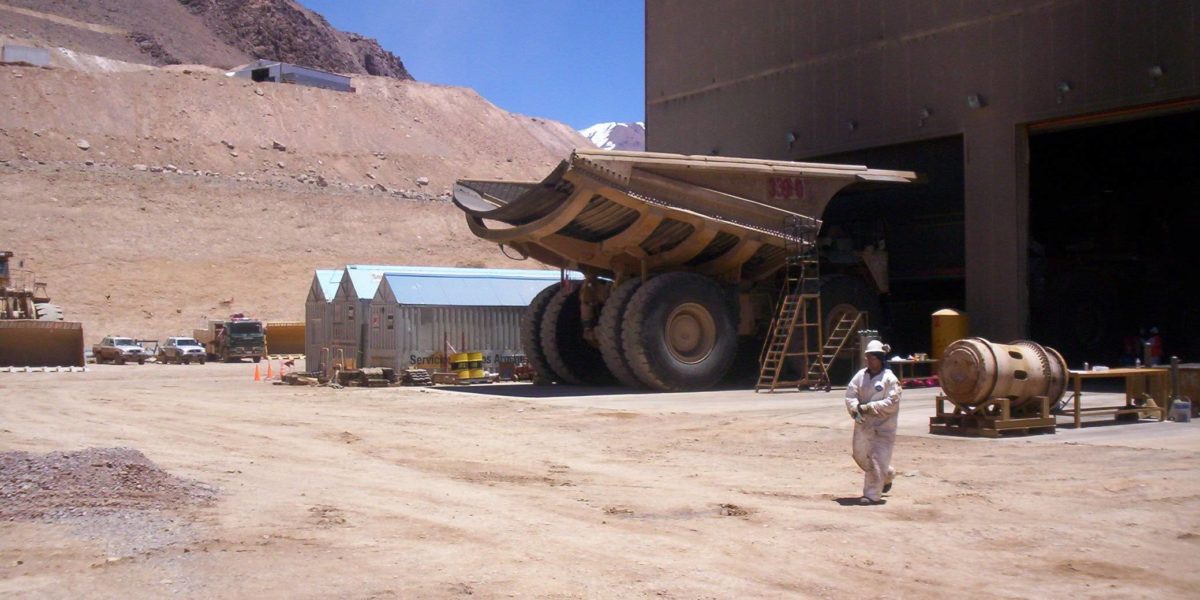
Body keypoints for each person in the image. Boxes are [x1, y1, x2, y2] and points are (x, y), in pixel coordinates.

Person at [844, 339, 902, 505]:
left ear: (880, 359)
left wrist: (870, 407)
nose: (869, 361)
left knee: (876, 458)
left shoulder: (890, 379)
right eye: (867, 358)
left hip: (884, 427)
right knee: (861, 456)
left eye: (872, 358)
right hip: (863, 425)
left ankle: (871, 495)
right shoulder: (861, 376)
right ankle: (887, 474)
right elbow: (850, 394)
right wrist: (855, 408)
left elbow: (892, 402)